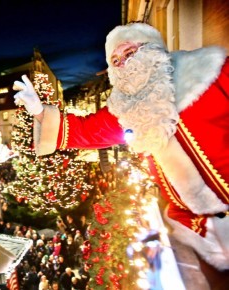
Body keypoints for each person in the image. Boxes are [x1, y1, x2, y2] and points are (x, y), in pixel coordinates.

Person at [12, 22, 229, 270]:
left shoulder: (210, 72)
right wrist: (39, 110)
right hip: (196, 228)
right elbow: (85, 131)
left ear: (154, 50)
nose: (123, 62)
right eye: (115, 61)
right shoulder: (128, 108)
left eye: (130, 52)